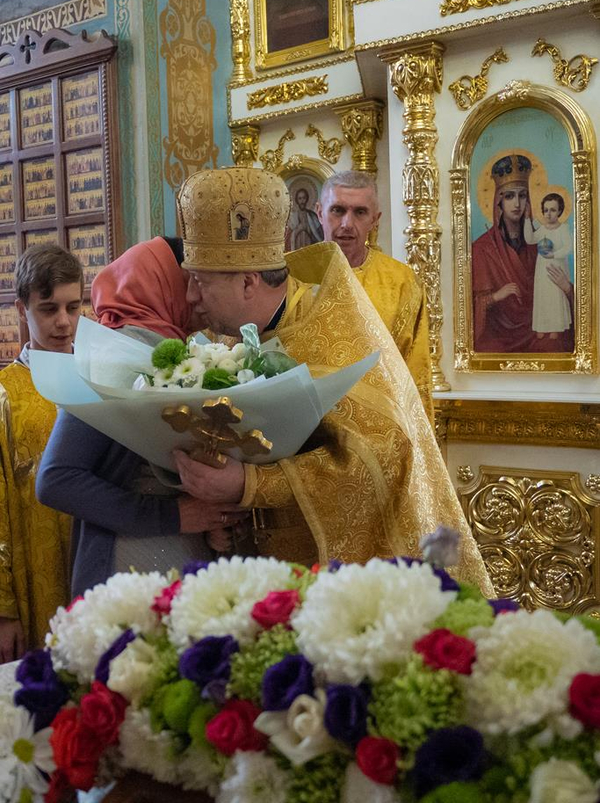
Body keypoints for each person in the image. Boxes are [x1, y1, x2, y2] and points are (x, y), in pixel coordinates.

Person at [173, 166, 493, 592]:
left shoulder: (336, 330)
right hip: (256, 567)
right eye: (337, 210)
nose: (190, 298)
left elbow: (387, 452)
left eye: (199, 282)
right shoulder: (218, 337)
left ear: (249, 282)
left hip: (340, 581)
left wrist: (252, 484)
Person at [36, 237, 243, 597]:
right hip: (128, 563)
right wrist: (174, 516)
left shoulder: (181, 349)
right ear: (161, 283)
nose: (196, 296)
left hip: (180, 556)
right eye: (188, 282)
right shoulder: (113, 357)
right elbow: (56, 479)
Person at [0, 244, 83, 662]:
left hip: (95, 560)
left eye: (73, 306)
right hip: (34, 573)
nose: (64, 322)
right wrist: (3, 611)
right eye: (49, 309)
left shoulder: (100, 379)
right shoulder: (6, 395)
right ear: (21, 309)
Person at [317, 170, 433, 422]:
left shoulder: (401, 282)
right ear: (319, 212)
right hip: (307, 429)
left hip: (378, 426)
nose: (347, 224)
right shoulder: (292, 276)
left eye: (360, 212)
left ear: (375, 220)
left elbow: (415, 369)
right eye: (337, 210)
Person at [472, 154, 573, 354]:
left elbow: (560, 271)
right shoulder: (482, 248)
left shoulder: (542, 241)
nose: (517, 203)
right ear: (498, 202)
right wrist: (495, 297)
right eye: (509, 196)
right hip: (501, 336)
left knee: (554, 345)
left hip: (540, 325)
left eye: (522, 195)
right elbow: (470, 306)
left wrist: (567, 289)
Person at [524, 192, 572, 340]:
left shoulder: (563, 228)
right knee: (543, 296)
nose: (548, 214)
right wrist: (527, 220)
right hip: (542, 269)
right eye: (546, 210)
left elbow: (568, 247)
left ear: (559, 211)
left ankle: (555, 327)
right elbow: (530, 239)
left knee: (554, 296)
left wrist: (554, 255)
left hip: (557, 268)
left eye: (552, 210)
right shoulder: (543, 229)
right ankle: (542, 326)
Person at [286, 187, 324, 251]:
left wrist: (309, 231)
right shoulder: (292, 217)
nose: (302, 201)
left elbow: (320, 238)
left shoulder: (313, 216)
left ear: (307, 199)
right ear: (296, 200)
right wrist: (298, 230)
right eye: (300, 198)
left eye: (304, 198)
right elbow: (287, 240)